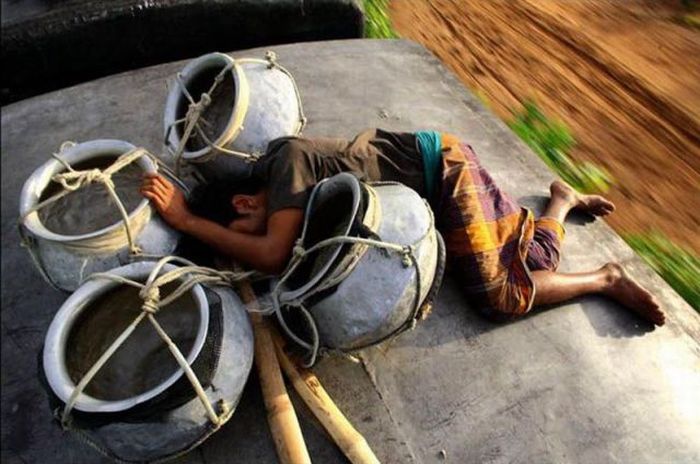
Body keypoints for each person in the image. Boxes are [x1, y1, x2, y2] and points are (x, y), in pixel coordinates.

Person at [141, 129, 665, 326]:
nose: (253, 245)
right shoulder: (280, 186)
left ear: (243, 200)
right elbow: (268, 250)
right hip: (436, 186)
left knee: (501, 294)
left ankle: (605, 279)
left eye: (245, 230)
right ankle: (563, 201)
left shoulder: (288, 163)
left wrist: (186, 220)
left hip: (445, 174)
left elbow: (274, 254)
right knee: (535, 263)